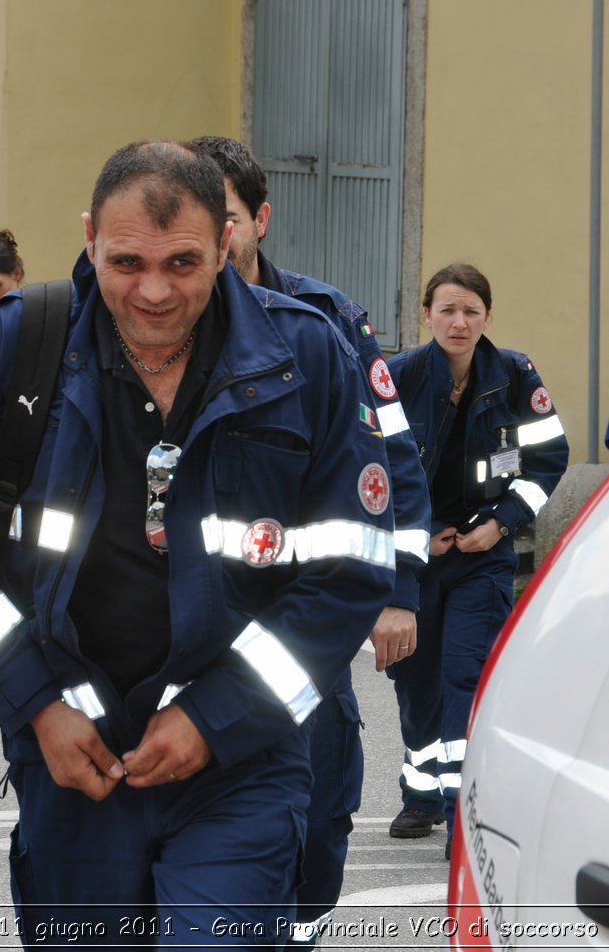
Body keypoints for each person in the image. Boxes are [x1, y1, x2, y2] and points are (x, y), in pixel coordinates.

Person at [0, 140, 397, 945]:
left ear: (226, 243)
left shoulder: (308, 359)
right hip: (71, 765)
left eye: (184, 262)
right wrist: (36, 705)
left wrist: (214, 718)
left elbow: (349, 571)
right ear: (90, 238)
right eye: (127, 261)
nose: (154, 291)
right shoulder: (13, 349)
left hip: (244, 764)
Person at [189, 134, 429, 946]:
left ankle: (299, 923)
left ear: (258, 217)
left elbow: (394, 459)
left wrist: (397, 588)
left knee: (324, 809)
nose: (209, 240)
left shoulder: (329, 321)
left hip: (306, 615)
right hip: (198, 621)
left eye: (223, 218)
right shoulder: (155, 320)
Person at [387, 263, 568, 854]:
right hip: (416, 560)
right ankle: (420, 794)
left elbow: (547, 461)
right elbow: (371, 473)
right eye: (447, 309)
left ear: (487, 316)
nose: (459, 321)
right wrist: (422, 531)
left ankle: (464, 808)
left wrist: (502, 524)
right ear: (426, 315)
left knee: (466, 676)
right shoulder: (395, 377)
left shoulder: (514, 376)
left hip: (483, 557)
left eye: (470, 310)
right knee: (416, 682)